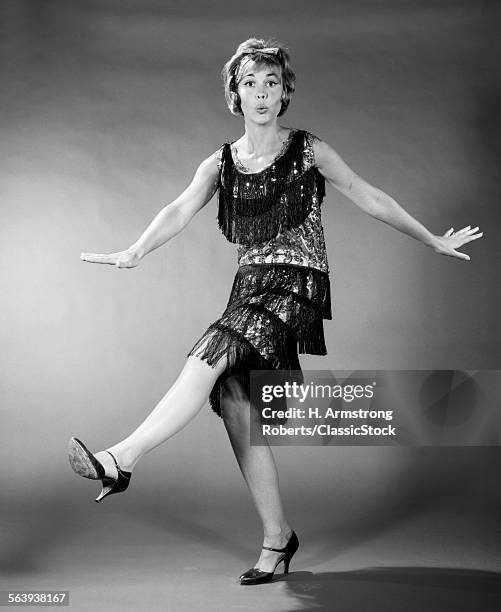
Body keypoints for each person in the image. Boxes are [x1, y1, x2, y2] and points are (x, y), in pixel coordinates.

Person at [68, 37, 483, 585]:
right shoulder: (220, 162)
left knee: (212, 349)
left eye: (271, 83)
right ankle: (277, 539)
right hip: (251, 285)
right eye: (250, 83)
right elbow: (178, 208)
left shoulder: (308, 149)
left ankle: (122, 458)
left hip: (298, 283)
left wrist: (431, 239)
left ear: (284, 92)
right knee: (237, 401)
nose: (261, 93)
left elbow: (368, 194)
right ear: (234, 94)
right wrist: (135, 250)